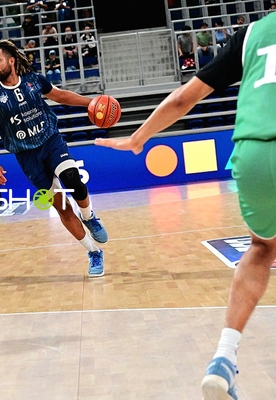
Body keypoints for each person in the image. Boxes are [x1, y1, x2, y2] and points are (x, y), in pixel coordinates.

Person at [95, 13, 276, 399]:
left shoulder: (252, 34)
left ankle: (224, 358)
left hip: (252, 154)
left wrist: (138, 138)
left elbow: (183, 98)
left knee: (262, 248)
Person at [0, 40, 108, 277]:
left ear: (11, 60)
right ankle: (94, 252)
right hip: (27, 156)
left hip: (50, 141)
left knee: (72, 179)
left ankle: (89, 217)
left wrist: (90, 102)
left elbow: (60, 96)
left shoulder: (33, 80)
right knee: (62, 207)